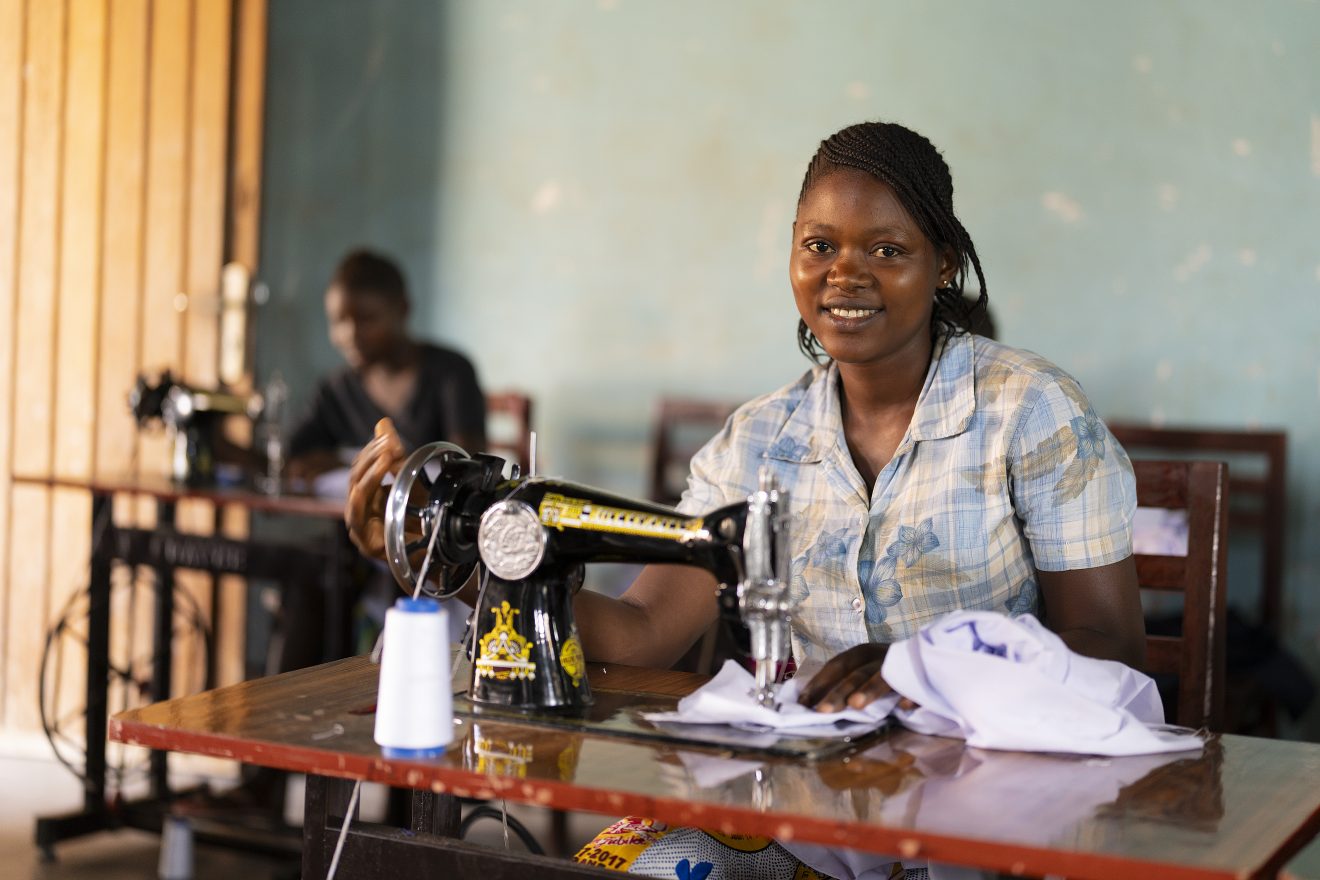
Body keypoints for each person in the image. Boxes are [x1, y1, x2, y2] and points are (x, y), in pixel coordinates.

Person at [344, 122, 1145, 879]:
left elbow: (1112, 645)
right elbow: (643, 633)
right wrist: (461, 554)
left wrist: (930, 671)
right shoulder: (758, 440)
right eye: (819, 246)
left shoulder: (1030, 411)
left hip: (993, 815)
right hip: (812, 812)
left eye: (887, 249)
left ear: (944, 266)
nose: (845, 274)